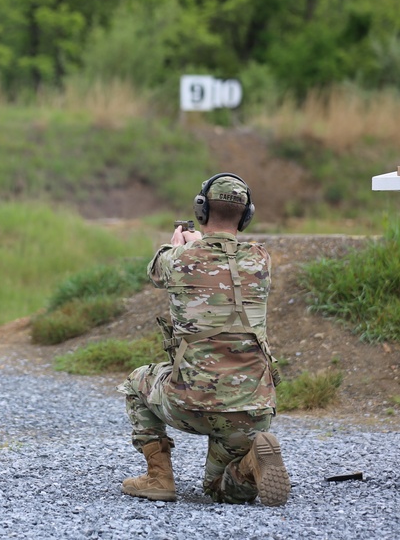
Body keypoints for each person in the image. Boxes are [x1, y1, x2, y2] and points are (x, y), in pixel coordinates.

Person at [117, 173, 290, 506]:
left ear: (201, 210)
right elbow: (226, 259)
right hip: (252, 408)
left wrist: (181, 244)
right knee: (221, 490)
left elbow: (156, 270)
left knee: (135, 382)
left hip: (192, 403)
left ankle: (159, 478)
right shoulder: (261, 260)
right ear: (247, 215)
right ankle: (250, 466)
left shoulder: (178, 259)